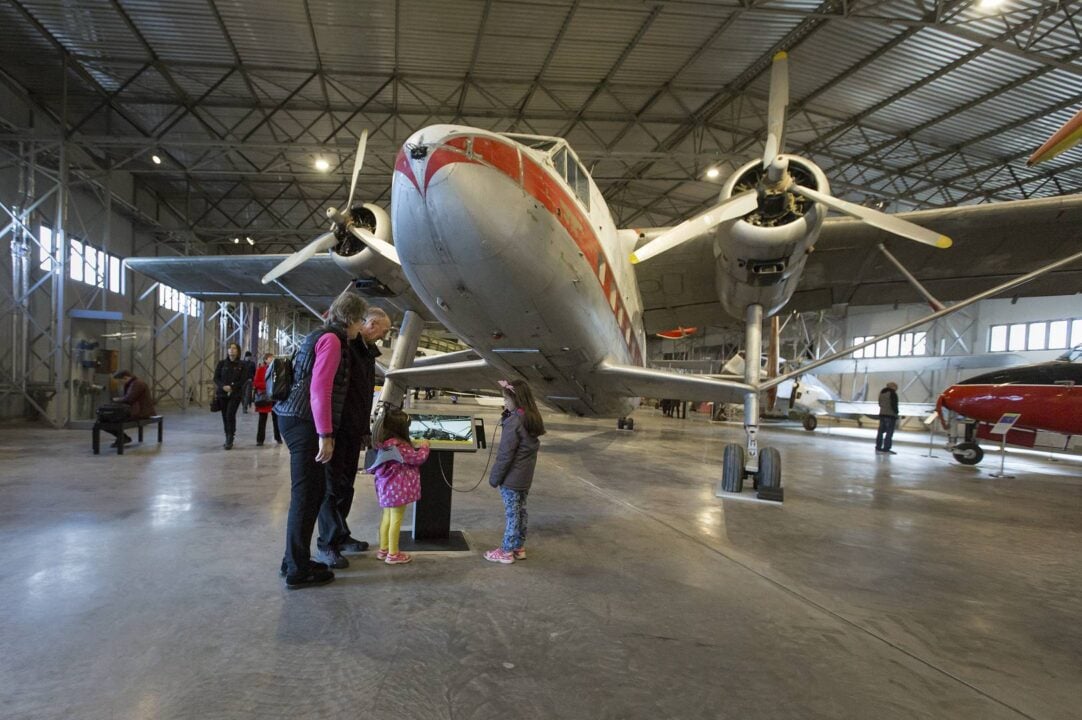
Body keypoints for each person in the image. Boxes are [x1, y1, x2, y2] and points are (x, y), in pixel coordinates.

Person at [274, 291, 368, 589]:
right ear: (351, 319)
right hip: (304, 422)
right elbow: (320, 389)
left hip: (294, 418)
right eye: (360, 321)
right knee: (306, 496)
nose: (359, 328)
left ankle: (294, 560)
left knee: (311, 495)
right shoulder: (333, 340)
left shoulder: (320, 334)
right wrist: (325, 434)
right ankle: (297, 571)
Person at [316, 306, 392, 567]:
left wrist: (364, 430)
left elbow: (361, 394)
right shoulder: (344, 346)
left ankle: (341, 534)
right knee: (331, 489)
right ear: (370, 324)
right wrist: (327, 432)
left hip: (353, 429)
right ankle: (327, 543)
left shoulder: (365, 351)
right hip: (338, 429)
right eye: (384, 330)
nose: (384, 336)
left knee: (346, 486)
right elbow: (329, 391)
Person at [485, 379, 546, 564]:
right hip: (524, 478)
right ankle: (519, 547)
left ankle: (506, 551)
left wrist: (495, 478)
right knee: (521, 512)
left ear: (516, 399)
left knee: (512, 515)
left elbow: (505, 454)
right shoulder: (530, 418)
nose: (505, 402)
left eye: (506, 399)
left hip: (511, 479)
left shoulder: (514, 422)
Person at [368, 408, 430, 565]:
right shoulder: (401, 446)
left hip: (385, 489)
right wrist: (425, 446)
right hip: (397, 490)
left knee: (387, 518)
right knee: (396, 520)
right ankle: (393, 554)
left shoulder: (385, 444)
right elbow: (417, 458)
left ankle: (384, 549)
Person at [105, 370, 156, 448]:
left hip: (140, 413)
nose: (120, 384)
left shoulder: (137, 384)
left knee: (108, 420)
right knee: (106, 419)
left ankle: (123, 438)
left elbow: (129, 399)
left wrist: (117, 400)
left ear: (125, 378)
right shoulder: (134, 383)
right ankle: (122, 437)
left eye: (120, 382)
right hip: (138, 411)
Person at [213, 342, 248, 450]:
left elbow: (243, 379)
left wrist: (232, 387)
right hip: (222, 394)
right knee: (224, 416)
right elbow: (216, 378)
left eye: (234, 348)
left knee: (230, 414)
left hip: (235, 394)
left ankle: (230, 437)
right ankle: (227, 435)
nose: (231, 350)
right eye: (230, 348)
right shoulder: (222, 364)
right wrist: (223, 386)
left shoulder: (242, 365)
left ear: (238, 351)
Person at [252, 352, 282, 446]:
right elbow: (256, 383)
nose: (272, 359)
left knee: (276, 419)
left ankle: (278, 438)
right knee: (262, 419)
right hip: (264, 397)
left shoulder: (277, 370)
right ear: (265, 360)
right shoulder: (260, 370)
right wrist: (269, 386)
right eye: (270, 358)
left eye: (273, 358)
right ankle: (260, 440)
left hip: (274, 397)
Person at [876, 381, 900, 454]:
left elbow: (879, 403)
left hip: (882, 414)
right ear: (893, 387)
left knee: (880, 432)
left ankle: (878, 447)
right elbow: (894, 405)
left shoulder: (882, 393)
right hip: (890, 415)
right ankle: (886, 448)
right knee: (889, 432)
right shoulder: (893, 394)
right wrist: (897, 413)